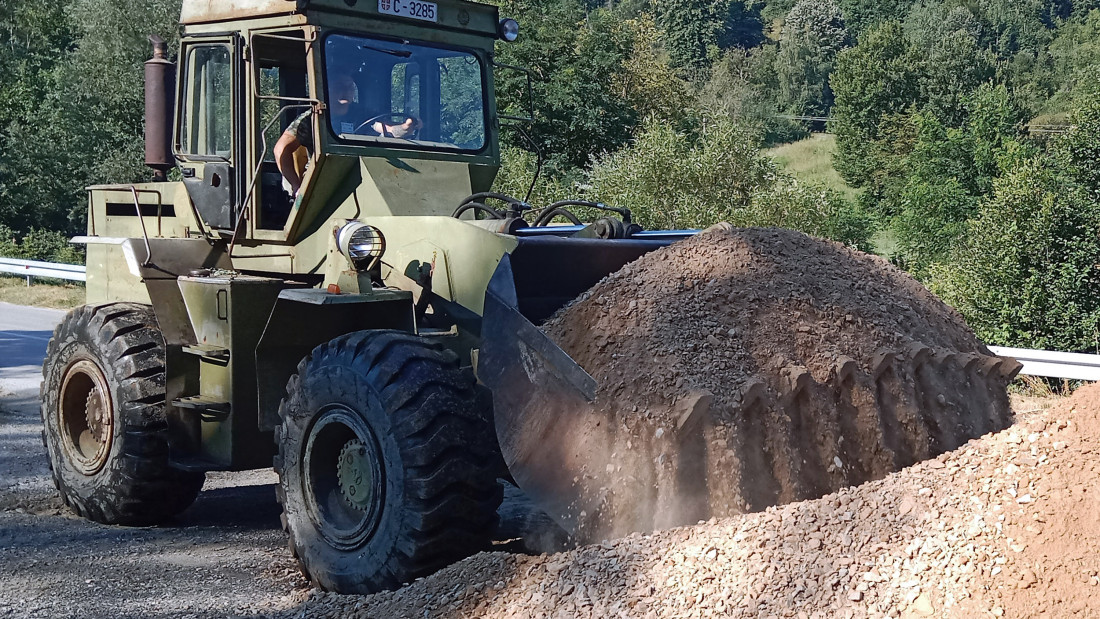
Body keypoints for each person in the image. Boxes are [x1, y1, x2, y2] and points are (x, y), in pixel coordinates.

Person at [273, 73, 421, 196]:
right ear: (327, 89)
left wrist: (405, 127)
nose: (346, 91)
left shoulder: (362, 114)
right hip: (320, 179)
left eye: (350, 87)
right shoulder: (312, 117)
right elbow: (281, 149)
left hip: (359, 175)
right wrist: (296, 187)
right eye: (339, 87)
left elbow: (388, 130)